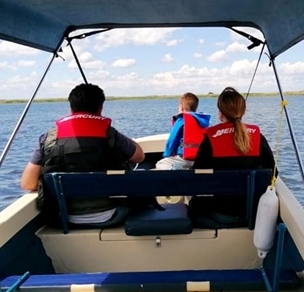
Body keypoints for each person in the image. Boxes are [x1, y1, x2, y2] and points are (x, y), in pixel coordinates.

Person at [19, 83, 145, 227]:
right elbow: (139, 157)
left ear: (71, 108)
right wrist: (111, 131)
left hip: (63, 217)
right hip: (110, 214)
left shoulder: (49, 138)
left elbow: (27, 183)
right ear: (100, 109)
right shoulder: (111, 135)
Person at [189, 86, 276, 226]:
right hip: (253, 213)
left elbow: (197, 177)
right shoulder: (258, 137)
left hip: (222, 214)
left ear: (220, 113)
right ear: (243, 111)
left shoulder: (211, 139)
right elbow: (273, 173)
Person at [156, 92, 211, 170]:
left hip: (184, 157)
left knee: (160, 164)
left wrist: (167, 154)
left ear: (181, 107)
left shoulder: (181, 120)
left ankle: (176, 169)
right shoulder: (202, 121)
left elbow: (172, 140)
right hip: (199, 158)